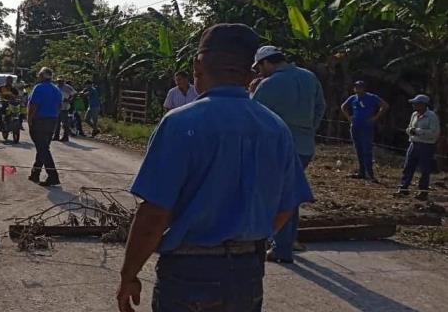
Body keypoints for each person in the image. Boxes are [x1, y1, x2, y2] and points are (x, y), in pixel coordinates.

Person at [116, 23, 313, 312]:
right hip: (247, 273)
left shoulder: (180, 124)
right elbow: (286, 207)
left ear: (198, 64)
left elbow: (154, 215)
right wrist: (245, 238)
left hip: (189, 272)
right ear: (251, 72)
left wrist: (128, 275)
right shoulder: (275, 128)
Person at [251, 45, 326, 264]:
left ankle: (281, 247)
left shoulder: (269, 84)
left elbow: (252, 116)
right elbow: (321, 107)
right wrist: (309, 129)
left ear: (266, 62)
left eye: (259, 67)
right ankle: (287, 241)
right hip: (305, 147)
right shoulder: (309, 77)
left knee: (277, 197)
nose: (259, 72)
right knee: (290, 194)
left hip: (277, 149)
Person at [341, 81, 389, 181]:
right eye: (356, 87)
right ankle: (361, 172)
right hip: (355, 126)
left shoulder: (371, 97)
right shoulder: (353, 98)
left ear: (364, 88)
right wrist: (349, 118)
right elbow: (343, 107)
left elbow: (384, 106)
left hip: (366, 127)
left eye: (360, 87)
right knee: (358, 149)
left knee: (367, 150)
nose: (358, 89)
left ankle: (370, 174)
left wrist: (375, 118)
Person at [396, 94, 441, 201]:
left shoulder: (432, 116)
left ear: (423, 105)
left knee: (425, 169)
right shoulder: (414, 115)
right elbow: (409, 128)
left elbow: (434, 133)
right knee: (408, 167)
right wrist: (410, 131)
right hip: (413, 144)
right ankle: (403, 187)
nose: (414, 105)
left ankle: (423, 191)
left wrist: (418, 131)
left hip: (426, 146)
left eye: (416, 103)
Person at [27, 67, 63, 186]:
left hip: (40, 121)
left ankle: (53, 176)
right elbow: (59, 107)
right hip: (52, 120)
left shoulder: (39, 88)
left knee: (43, 149)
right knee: (43, 148)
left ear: (41, 76)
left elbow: (33, 106)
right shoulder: (56, 89)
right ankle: (35, 173)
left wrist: (29, 120)